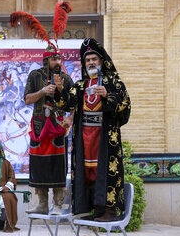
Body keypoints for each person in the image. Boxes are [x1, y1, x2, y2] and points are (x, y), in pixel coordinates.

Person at [54, 38, 131, 221]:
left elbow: (125, 105)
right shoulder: (80, 85)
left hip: (105, 137)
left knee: (105, 170)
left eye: (94, 59)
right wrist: (59, 90)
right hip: (85, 137)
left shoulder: (113, 82)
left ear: (101, 61)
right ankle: (94, 210)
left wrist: (107, 96)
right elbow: (66, 104)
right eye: (87, 60)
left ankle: (110, 212)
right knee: (88, 172)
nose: (90, 63)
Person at [24, 44, 74, 215]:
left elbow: (75, 103)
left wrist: (70, 119)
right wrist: (43, 91)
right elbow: (27, 99)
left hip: (58, 126)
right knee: (39, 165)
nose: (57, 62)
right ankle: (42, 204)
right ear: (46, 61)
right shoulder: (34, 75)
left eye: (59, 58)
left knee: (58, 165)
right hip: (38, 126)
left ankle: (58, 205)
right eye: (54, 59)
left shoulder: (66, 79)